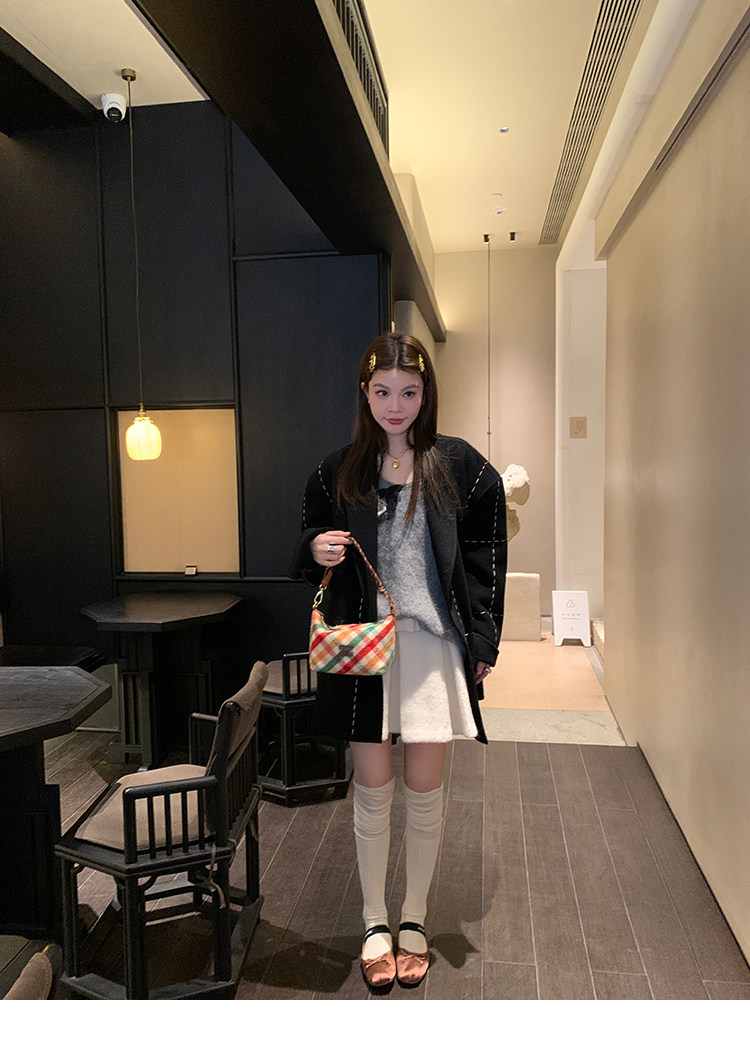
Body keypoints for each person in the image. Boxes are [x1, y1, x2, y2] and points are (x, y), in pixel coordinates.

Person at [289, 331, 507, 990]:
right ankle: (373, 922)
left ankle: (413, 919)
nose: (395, 405)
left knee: (424, 790)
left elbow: (486, 551)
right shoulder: (338, 472)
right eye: (383, 392)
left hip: (434, 647)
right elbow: (307, 537)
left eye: (409, 392)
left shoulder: (460, 466)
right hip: (366, 649)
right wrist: (314, 548)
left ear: (426, 393)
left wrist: (483, 639)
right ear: (365, 394)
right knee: (372, 790)